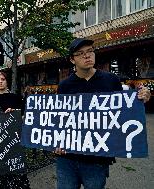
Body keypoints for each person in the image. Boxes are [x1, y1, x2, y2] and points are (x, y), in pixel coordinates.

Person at [55, 38, 151, 189]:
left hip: (97, 159)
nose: (87, 56)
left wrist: (141, 99)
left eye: (90, 51)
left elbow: (124, 110)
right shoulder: (64, 86)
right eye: (80, 53)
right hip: (67, 158)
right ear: (72, 60)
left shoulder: (110, 80)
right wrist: (57, 141)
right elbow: (59, 118)